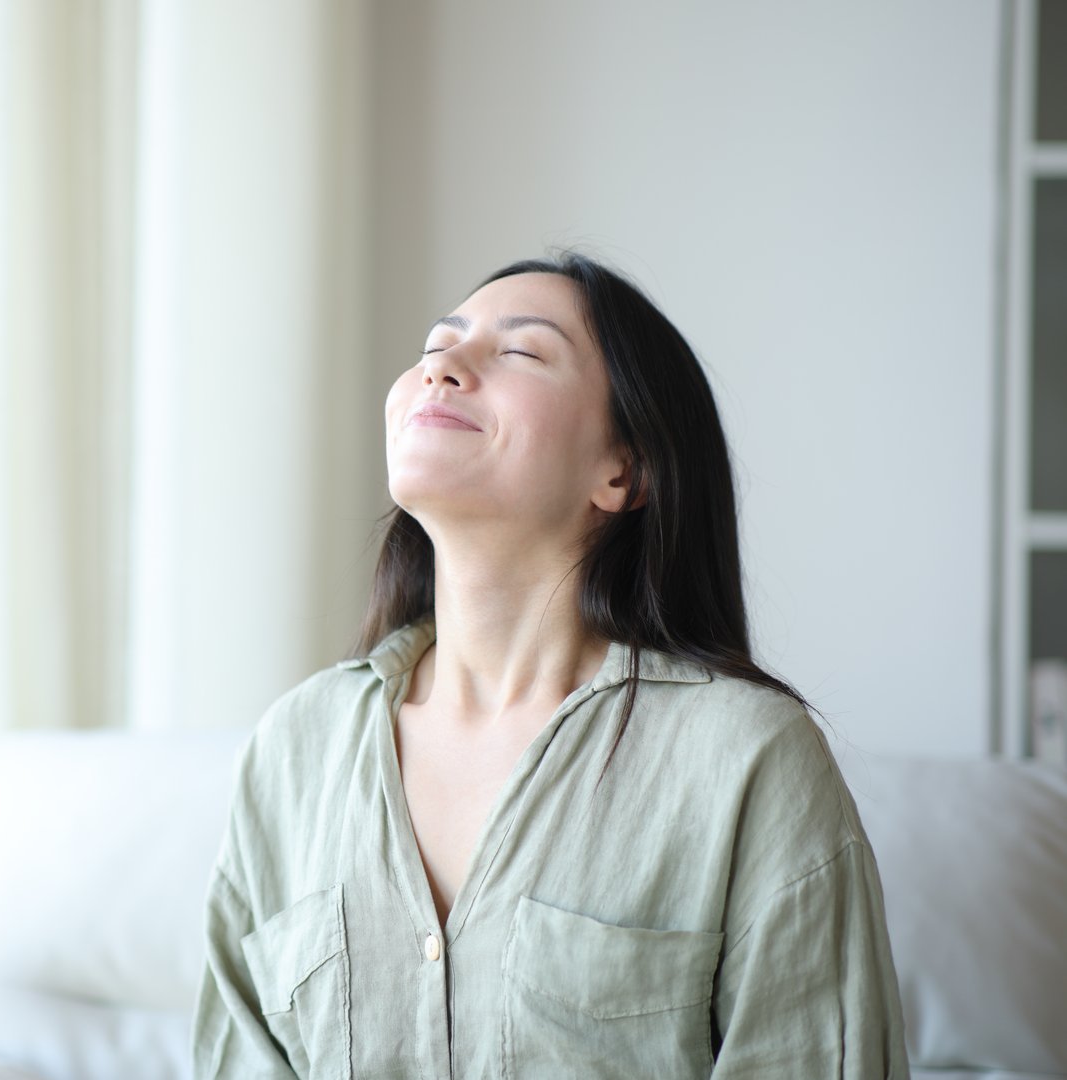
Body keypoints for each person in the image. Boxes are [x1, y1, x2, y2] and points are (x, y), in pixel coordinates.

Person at [190, 253, 910, 1079]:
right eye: (435, 346)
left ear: (623, 470)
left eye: (521, 352)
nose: (441, 370)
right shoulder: (297, 746)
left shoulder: (747, 760)